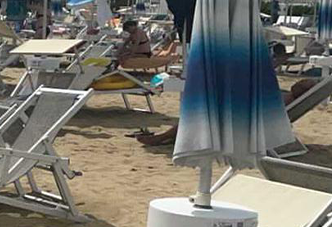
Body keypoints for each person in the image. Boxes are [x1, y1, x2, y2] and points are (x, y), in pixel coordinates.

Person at [136, 77, 318, 146]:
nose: (298, 82)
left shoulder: (285, 100)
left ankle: (163, 138)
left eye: (302, 83)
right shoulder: (290, 99)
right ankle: (171, 137)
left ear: (299, 89)